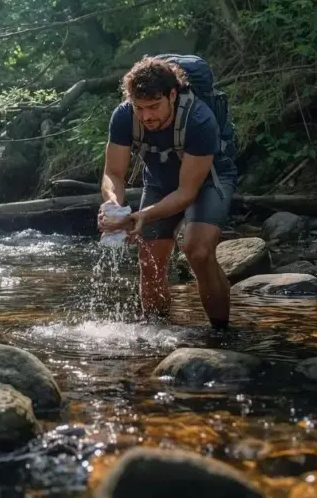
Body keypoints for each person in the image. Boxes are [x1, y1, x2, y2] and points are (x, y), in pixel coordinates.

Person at [98, 55, 238, 330]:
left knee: (197, 250)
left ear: (172, 94)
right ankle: (155, 334)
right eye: (139, 108)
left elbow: (187, 192)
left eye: (153, 106)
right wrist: (113, 205)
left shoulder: (199, 118)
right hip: (160, 180)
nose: (146, 115)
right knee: (149, 259)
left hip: (210, 179)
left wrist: (141, 215)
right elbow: (113, 173)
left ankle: (222, 335)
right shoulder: (124, 116)